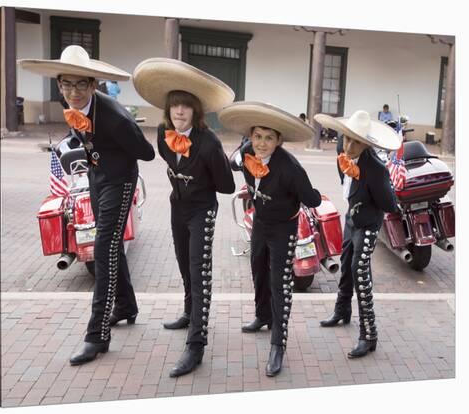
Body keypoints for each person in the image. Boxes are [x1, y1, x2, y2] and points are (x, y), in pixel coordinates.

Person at [19, 45, 155, 365]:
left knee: (103, 248)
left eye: (81, 84)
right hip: (96, 178)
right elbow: (84, 138)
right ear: (59, 85)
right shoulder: (74, 107)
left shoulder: (117, 118)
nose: (74, 91)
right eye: (67, 84)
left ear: (93, 85)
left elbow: (146, 153)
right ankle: (126, 305)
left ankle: (97, 336)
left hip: (120, 182)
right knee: (111, 247)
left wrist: (116, 146)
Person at [133, 58, 236, 377]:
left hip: (203, 209)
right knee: (183, 264)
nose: (179, 112)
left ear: (195, 111)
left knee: (199, 271)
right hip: (178, 206)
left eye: (185, 107)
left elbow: (227, 186)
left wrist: (207, 167)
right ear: (168, 110)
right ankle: (190, 313)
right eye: (174, 106)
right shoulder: (163, 133)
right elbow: (167, 160)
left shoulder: (209, 143)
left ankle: (196, 344)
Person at [219, 102, 322, 376]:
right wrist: (240, 156)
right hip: (261, 223)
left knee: (280, 284)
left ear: (278, 140)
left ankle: (278, 343)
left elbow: (311, 199)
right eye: (257, 136)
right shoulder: (246, 152)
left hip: (284, 229)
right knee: (257, 270)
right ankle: (262, 316)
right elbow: (231, 163)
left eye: (268, 138)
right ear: (250, 137)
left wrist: (311, 192)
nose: (261, 144)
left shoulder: (291, 168)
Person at [315, 110, 400, 358]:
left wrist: (370, 196)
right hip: (352, 219)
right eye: (346, 139)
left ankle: (368, 335)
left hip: (369, 224)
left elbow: (390, 205)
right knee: (345, 263)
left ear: (367, 144)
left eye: (356, 142)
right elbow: (348, 186)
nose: (349, 146)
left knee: (360, 272)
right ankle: (342, 312)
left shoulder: (376, 169)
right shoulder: (342, 155)